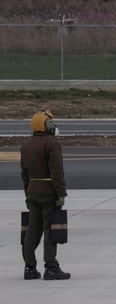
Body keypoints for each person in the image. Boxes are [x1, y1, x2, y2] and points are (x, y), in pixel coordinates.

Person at [21, 109, 70, 280]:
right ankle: (51, 267)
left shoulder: (25, 145)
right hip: (48, 192)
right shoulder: (52, 144)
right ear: (47, 124)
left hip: (33, 192)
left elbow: (24, 174)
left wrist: (27, 194)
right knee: (50, 230)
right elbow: (57, 172)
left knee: (32, 230)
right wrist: (61, 193)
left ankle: (29, 267)